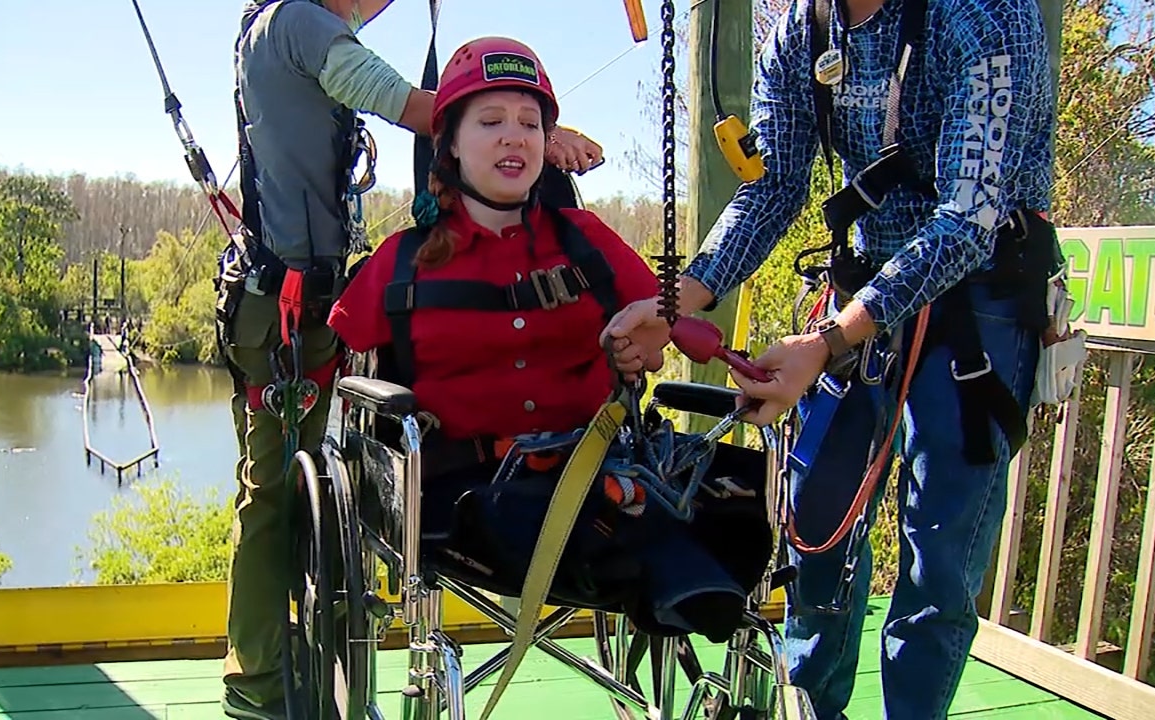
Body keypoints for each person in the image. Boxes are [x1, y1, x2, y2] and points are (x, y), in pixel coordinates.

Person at [603, 0, 1060, 717]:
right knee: (817, 533)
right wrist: (679, 301)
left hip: (981, 303)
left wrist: (825, 342)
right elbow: (775, 185)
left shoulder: (985, 14)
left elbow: (969, 218)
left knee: (938, 560)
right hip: (862, 302)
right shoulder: (804, 32)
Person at [217, 3, 604, 718]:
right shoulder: (298, 22)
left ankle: (297, 664)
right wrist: (537, 135)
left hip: (302, 299)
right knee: (274, 493)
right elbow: (406, 104)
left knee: (293, 488)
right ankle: (259, 688)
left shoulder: (277, 28)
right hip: (283, 308)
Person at [328, 35, 774, 648]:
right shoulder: (398, 266)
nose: (514, 136)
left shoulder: (587, 241)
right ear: (450, 144)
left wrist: (651, 348)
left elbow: (658, 326)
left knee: (749, 485)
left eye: (530, 123)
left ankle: (679, 571)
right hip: (467, 497)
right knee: (582, 517)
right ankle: (676, 574)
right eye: (490, 121)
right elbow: (342, 375)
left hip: (600, 464)